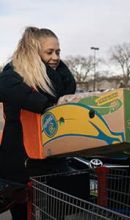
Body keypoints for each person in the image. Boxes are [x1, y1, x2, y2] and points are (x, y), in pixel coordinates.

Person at [0, 26, 76, 219]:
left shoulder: (57, 75)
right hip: (20, 158)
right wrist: (50, 105)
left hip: (52, 157)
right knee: (23, 211)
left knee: (56, 210)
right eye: (49, 52)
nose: (56, 57)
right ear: (34, 53)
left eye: (58, 51)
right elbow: (27, 98)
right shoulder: (12, 75)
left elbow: (67, 95)